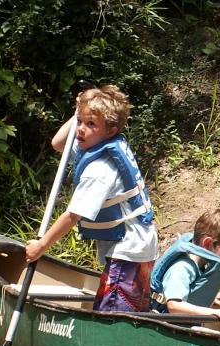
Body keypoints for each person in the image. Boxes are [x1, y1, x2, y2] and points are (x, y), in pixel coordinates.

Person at [25, 85, 158, 312]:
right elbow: (58, 144)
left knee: (112, 314)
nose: (80, 130)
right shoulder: (97, 144)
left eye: (91, 124)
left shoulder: (100, 169)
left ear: (111, 130)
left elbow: (73, 215)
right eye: (80, 122)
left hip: (128, 250)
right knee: (126, 314)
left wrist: (41, 246)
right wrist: (78, 112)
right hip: (137, 247)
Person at [149, 209, 220, 325]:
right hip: (168, 329)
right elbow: (174, 306)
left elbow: (186, 290)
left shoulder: (199, 264)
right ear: (207, 243)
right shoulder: (182, 268)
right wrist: (212, 313)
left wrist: (206, 295)